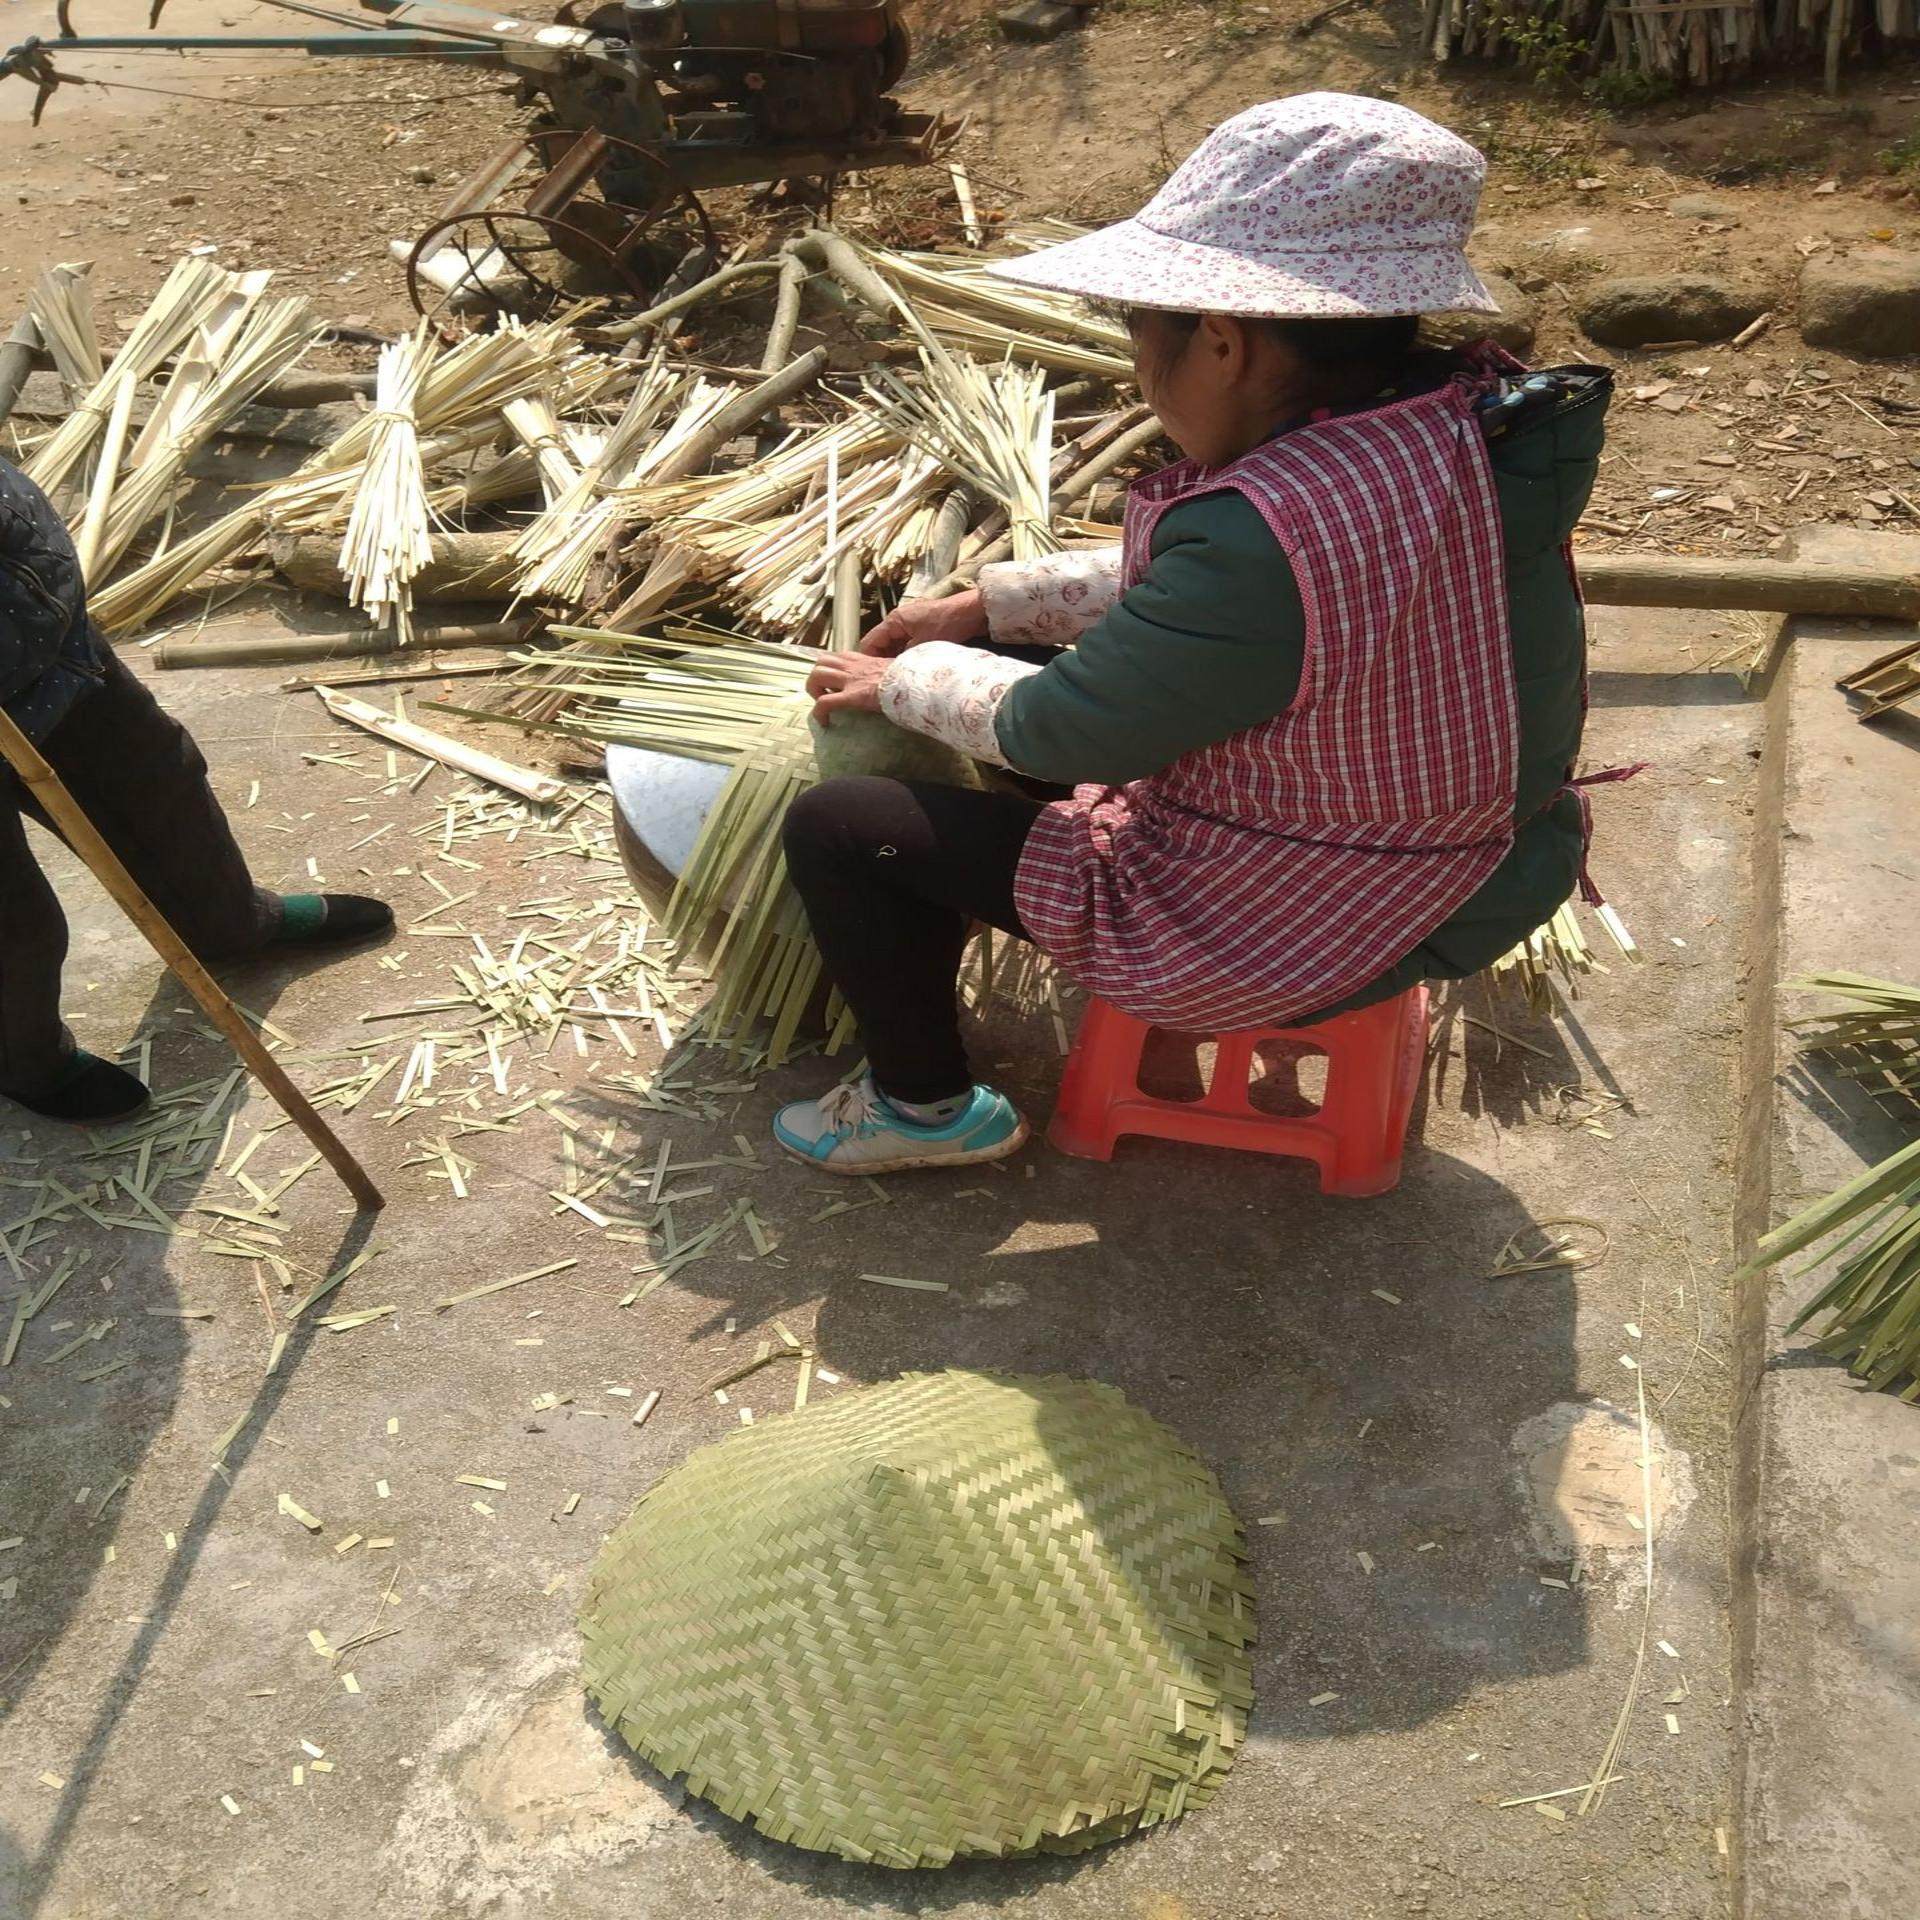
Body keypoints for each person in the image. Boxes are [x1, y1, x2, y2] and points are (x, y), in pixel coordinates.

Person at [772, 92, 1615, 1175]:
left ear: (1220, 340)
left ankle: (923, 1107)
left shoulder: (1264, 536)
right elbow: (1230, 598)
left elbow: (1057, 733)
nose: (1140, 365)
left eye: (1141, 336)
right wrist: (993, 605)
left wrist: (903, 681)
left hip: (1294, 923)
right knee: (1020, 668)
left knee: (848, 826)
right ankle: (980, 894)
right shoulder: (1454, 430)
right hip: (1485, 863)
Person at [1, 454, 393, 1123]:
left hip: (40, 637)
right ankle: (22, 1059)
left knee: (157, 783)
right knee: (15, 924)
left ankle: (230, 926)